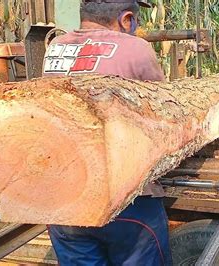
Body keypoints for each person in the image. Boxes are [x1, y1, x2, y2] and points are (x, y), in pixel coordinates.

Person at [42, 1, 172, 265]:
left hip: (64, 201)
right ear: (126, 19)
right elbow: (165, 114)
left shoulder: (55, 48)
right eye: (135, 19)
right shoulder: (137, 48)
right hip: (127, 200)